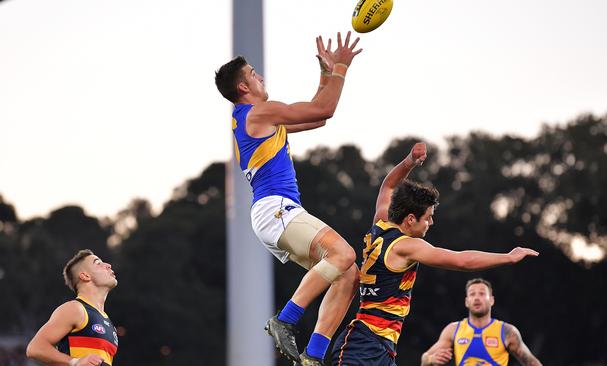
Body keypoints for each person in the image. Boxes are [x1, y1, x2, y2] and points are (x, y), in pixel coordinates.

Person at [215, 31, 362, 365]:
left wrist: (325, 73)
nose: (260, 76)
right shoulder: (258, 113)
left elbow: (319, 117)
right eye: (253, 73)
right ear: (243, 88)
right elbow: (326, 107)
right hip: (275, 209)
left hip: (275, 214)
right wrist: (341, 68)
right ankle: (284, 319)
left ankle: (313, 357)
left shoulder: (259, 119)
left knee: (348, 272)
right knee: (344, 252)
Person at [330, 142, 539, 366]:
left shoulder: (381, 222)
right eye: (427, 217)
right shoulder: (407, 246)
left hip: (380, 345)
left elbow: (387, 187)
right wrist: (508, 256)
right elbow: (462, 261)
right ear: (410, 219)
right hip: (364, 344)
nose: (431, 222)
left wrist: (409, 161)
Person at [26, 249, 119, 366]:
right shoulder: (75, 309)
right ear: (85, 276)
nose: (108, 265)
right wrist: (75, 362)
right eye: (98, 263)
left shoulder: (108, 322)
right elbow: (35, 348)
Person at [421, 278, 542, 366]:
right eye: (472, 294)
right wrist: (431, 360)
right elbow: (424, 359)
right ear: (467, 301)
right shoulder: (453, 330)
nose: (477, 298)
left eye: (482, 294)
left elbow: (531, 362)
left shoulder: (507, 331)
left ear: (492, 300)